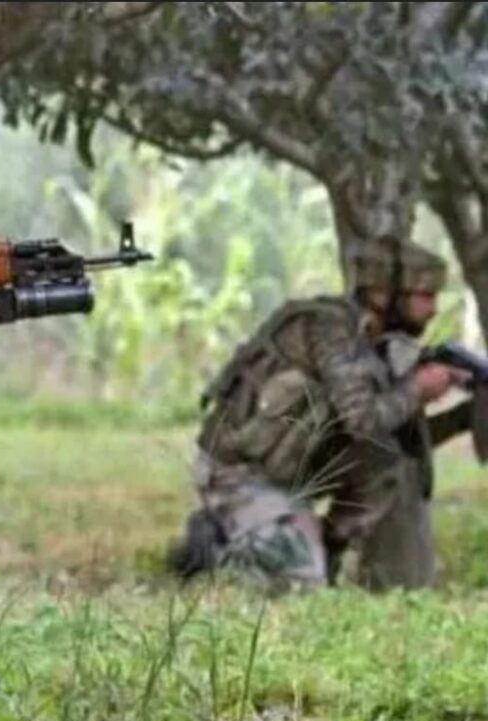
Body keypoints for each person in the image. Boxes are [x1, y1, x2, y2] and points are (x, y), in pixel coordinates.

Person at [168, 236, 478, 592]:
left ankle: (320, 549)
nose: (434, 309)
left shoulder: (374, 342)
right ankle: (216, 546)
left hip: (292, 471)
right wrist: (418, 388)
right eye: (425, 296)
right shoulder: (329, 330)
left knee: (386, 461)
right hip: (240, 472)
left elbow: (389, 438)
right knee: (299, 586)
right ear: (384, 294)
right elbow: (364, 421)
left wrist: (463, 416)